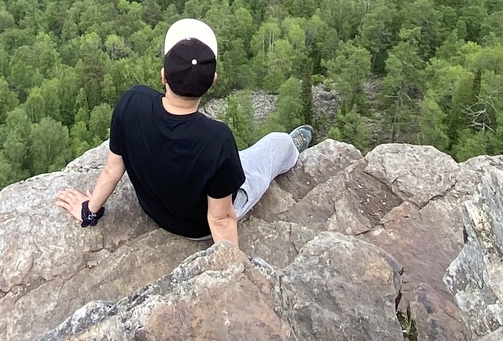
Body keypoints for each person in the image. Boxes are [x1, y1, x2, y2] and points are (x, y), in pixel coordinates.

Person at [55, 18, 313, 249]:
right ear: (213, 81)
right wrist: (233, 272)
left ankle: (240, 165)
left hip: (156, 211)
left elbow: (112, 170)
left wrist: (89, 210)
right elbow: (220, 218)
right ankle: (292, 149)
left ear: (163, 76)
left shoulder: (132, 102)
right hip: (197, 229)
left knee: (230, 163)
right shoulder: (217, 139)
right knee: (276, 144)